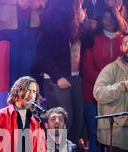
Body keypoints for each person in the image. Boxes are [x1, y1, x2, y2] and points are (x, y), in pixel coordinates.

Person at [35, 0, 86, 143]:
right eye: (79, 5)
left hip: (74, 78)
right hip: (57, 80)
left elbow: (88, 43)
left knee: (77, 123)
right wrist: (57, 78)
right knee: (61, 126)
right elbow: (42, 56)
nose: (82, 7)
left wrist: (82, 23)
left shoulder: (75, 27)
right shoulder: (52, 26)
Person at [81, 7, 122, 152]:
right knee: (94, 134)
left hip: (116, 97)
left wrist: (113, 87)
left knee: (115, 136)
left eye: (111, 17)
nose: (109, 21)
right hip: (92, 95)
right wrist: (109, 84)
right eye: (105, 17)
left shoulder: (123, 40)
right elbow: (87, 69)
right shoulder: (93, 40)